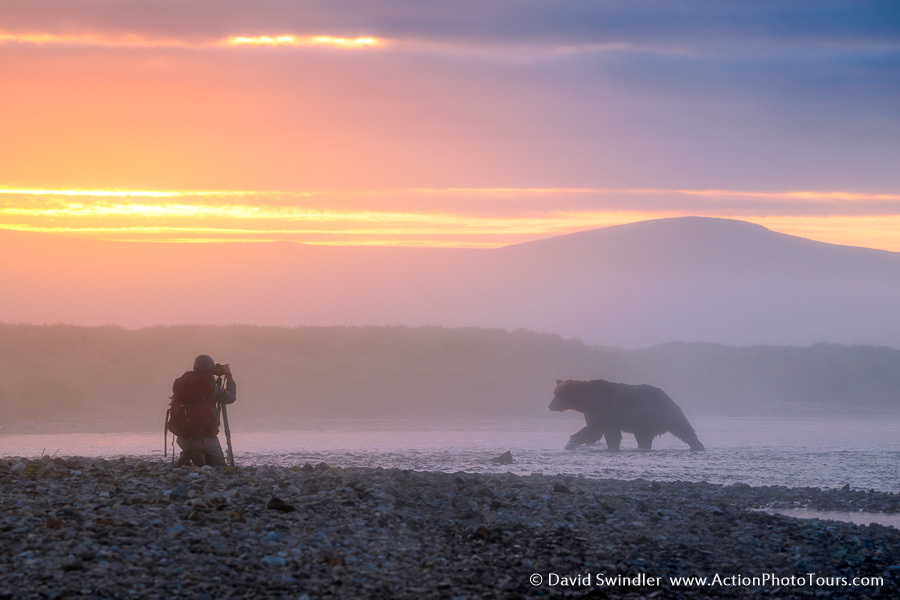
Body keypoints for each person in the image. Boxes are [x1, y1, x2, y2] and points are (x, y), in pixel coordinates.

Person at [168, 354, 236, 467]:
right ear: (210, 368)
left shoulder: (183, 382)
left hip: (182, 438)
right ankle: (197, 453)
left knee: (194, 448)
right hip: (205, 439)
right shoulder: (210, 385)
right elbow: (231, 397)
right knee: (220, 467)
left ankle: (187, 454)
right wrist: (228, 376)